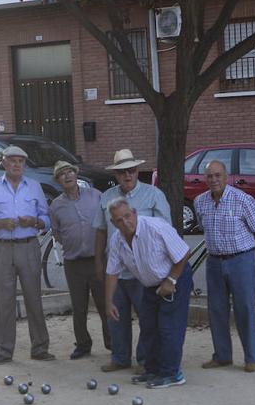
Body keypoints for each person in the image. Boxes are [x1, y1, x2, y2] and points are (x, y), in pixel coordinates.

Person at [0, 145, 54, 365]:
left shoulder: (34, 186)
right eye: (13, 161)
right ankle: (4, 350)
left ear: (25, 165)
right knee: (4, 301)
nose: (17, 165)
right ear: (4, 163)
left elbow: (47, 218)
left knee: (34, 298)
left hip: (29, 246)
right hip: (2, 247)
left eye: (21, 161)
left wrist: (35, 222)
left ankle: (40, 347)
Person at [94, 148, 171, 373]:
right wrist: (98, 262)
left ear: (138, 171)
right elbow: (100, 231)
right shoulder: (106, 198)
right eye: (122, 172)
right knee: (115, 315)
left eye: (132, 170)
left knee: (147, 318)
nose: (127, 176)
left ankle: (146, 359)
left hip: (143, 270)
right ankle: (119, 357)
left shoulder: (154, 195)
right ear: (115, 175)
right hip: (116, 269)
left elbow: (166, 230)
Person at [105, 198, 191, 389]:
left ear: (134, 213)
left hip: (175, 277)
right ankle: (153, 370)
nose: (126, 222)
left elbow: (184, 253)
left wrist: (171, 280)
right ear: (113, 223)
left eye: (128, 216)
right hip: (150, 285)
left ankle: (172, 373)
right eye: (119, 220)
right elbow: (112, 272)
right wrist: (109, 301)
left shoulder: (156, 227)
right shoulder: (117, 240)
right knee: (148, 327)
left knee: (169, 328)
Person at [194, 160, 255, 373]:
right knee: (216, 310)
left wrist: (247, 252)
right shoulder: (200, 202)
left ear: (226, 177)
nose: (214, 180)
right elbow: (202, 226)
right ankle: (222, 355)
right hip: (214, 261)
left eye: (218, 175)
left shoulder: (243, 200)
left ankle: (251, 357)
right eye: (210, 176)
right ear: (205, 179)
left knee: (244, 308)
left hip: (240, 260)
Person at [49, 160, 110, 360]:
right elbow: (57, 233)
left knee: (104, 304)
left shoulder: (96, 196)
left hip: (98, 260)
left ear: (76, 175)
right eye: (62, 174)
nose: (67, 176)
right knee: (78, 306)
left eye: (70, 172)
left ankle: (113, 343)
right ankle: (83, 344)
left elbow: (107, 223)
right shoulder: (56, 205)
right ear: (58, 180)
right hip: (73, 263)